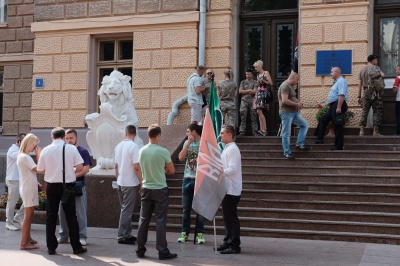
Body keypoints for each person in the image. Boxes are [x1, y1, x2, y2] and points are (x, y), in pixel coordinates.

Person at [37, 127, 87, 255]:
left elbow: (40, 169)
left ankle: (51, 247)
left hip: (52, 186)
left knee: (51, 216)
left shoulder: (46, 150)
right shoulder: (71, 148)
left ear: (52, 137)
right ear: (64, 137)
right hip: (68, 186)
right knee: (71, 216)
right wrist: (70, 170)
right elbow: (80, 167)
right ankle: (76, 246)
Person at [136, 124, 177, 260]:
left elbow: (141, 168)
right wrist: (163, 170)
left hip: (146, 188)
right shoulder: (163, 151)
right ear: (158, 135)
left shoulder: (141, 151)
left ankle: (140, 249)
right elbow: (171, 170)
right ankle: (162, 251)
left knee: (143, 220)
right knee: (160, 220)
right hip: (160, 189)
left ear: (148, 135)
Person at [58, 129, 92, 246]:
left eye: (71, 138)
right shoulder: (63, 151)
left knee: (80, 212)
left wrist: (71, 176)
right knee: (62, 212)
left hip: (78, 186)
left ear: (76, 138)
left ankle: (82, 236)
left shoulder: (83, 151)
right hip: (64, 186)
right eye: (66, 138)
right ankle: (63, 235)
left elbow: (86, 169)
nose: (69, 140)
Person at [215, 125, 242, 254]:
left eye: (222, 133)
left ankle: (234, 245)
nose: (220, 135)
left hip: (231, 189)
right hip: (226, 188)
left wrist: (219, 173)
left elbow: (232, 169)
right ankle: (227, 241)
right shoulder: (227, 148)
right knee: (227, 217)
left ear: (230, 135)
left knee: (231, 218)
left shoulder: (233, 149)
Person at [177, 124, 205, 244]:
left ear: (194, 131)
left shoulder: (204, 143)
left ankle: (199, 234)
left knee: (200, 209)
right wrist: (187, 143)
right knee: (186, 208)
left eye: (188, 131)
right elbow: (181, 158)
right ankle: (185, 232)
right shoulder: (186, 143)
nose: (187, 133)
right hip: (188, 178)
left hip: (200, 179)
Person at [114, 125, 142, 245]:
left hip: (120, 181)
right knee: (127, 210)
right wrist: (142, 181)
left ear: (125, 133)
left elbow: (116, 166)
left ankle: (127, 234)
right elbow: (136, 166)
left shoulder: (119, 146)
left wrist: (118, 177)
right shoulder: (134, 146)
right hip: (130, 183)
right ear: (135, 134)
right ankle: (122, 236)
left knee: (124, 209)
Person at [16, 133, 41, 250]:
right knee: (27, 215)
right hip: (28, 189)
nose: (35, 148)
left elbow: (28, 173)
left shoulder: (23, 156)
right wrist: (38, 155)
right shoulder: (25, 157)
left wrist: (36, 182)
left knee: (29, 215)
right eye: (35, 146)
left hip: (28, 186)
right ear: (30, 143)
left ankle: (28, 238)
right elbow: (39, 169)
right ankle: (23, 243)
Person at [278, 73, 310, 159]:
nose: (297, 82)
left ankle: (299, 144)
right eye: (297, 80)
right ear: (293, 78)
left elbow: (292, 97)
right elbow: (284, 100)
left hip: (293, 112)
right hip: (286, 112)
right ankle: (287, 152)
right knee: (286, 133)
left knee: (304, 125)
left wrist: (299, 103)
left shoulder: (290, 86)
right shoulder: (285, 86)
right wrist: (296, 104)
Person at [315, 67, 349, 150]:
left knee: (338, 125)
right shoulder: (336, 82)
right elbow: (333, 97)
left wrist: (338, 107)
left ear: (336, 72)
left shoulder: (341, 81)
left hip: (338, 104)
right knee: (323, 119)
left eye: (331, 72)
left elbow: (341, 95)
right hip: (334, 105)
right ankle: (319, 139)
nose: (330, 74)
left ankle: (338, 146)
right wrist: (323, 104)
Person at [358, 54, 385, 136]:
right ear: (373, 60)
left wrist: (359, 96)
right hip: (375, 92)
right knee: (377, 110)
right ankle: (375, 131)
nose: (377, 61)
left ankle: (361, 131)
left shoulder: (362, 70)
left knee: (364, 111)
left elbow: (359, 84)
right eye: (376, 59)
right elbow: (383, 75)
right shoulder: (376, 68)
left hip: (366, 91)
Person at [5, 133, 26, 231]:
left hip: (21, 179)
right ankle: (8, 223)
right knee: (11, 202)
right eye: (25, 141)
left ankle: (17, 216)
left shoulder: (22, 151)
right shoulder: (12, 150)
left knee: (27, 200)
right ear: (19, 142)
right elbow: (18, 157)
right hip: (13, 179)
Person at [253, 60, 274, 136]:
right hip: (258, 93)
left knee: (260, 111)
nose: (255, 69)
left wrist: (263, 81)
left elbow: (271, 83)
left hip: (264, 93)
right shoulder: (258, 75)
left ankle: (264, 129)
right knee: (258, 112)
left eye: (256, 67)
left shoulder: (266, 73)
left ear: (259, 66)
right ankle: (261, 129)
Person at [238, 69, 258, 136]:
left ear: (252, 74)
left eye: (249, 74)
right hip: (244, 101)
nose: (247, 75)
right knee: (243, 116)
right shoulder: (243, 82)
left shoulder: (255, 82)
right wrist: (250, 90)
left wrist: (245, 91)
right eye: (246, 74)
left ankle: (254, 131)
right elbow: (240, 91)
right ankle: (242, 131)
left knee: (254, 116)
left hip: (252, 101)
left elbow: (255, 91)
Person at [393, 65, 400, 135]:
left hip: (399, 100)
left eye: (397, 70)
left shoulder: (398, 78)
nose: (396, 71)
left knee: (398, 116)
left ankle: (398, 132)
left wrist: (393, 86)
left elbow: (395, 90)